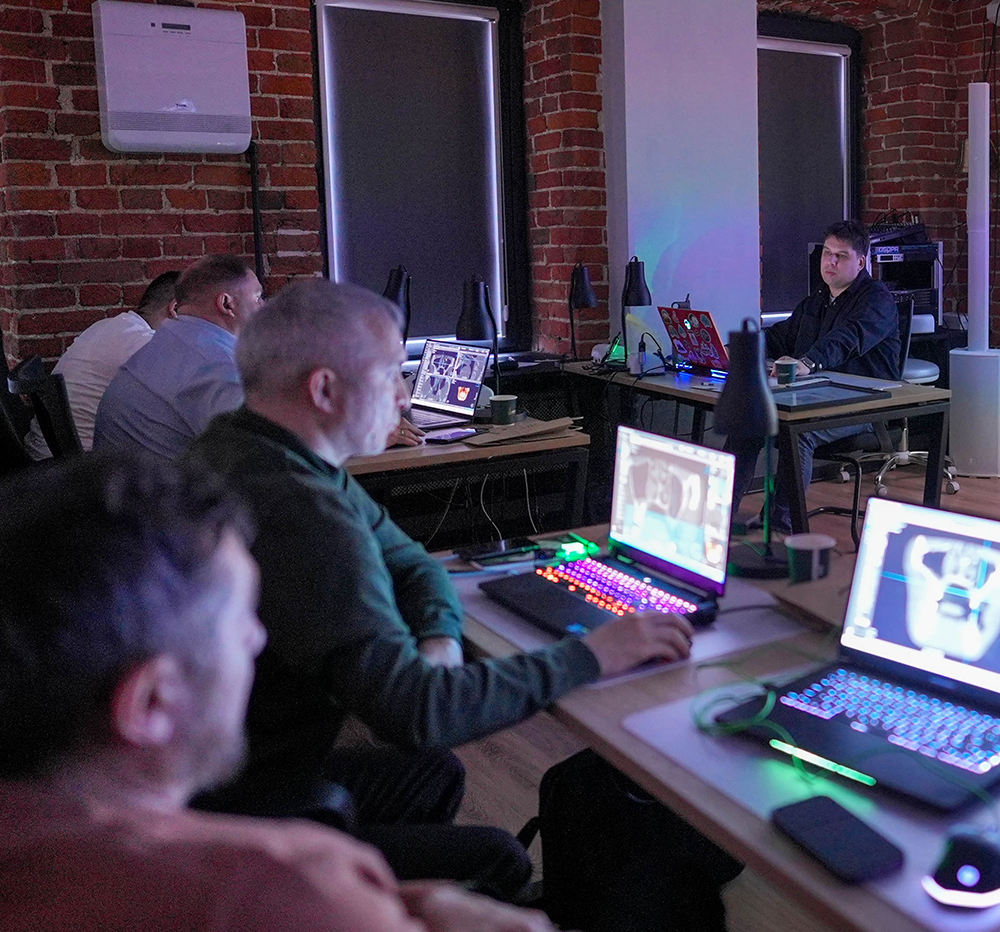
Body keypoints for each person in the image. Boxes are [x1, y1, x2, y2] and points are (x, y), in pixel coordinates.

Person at [185, 280, 734, 924]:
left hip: (235, 763)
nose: (404, 396)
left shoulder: (246, 445)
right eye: (391, 375)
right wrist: (593, 654)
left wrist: (441, 638)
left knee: (435, 773)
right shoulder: (304, 516)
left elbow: (415, 563)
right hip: (239, 806)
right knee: (500, 856)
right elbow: (419, 714)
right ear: (325, 390)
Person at [0, 450, 551, 932]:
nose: (257, 637)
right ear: (151, 703)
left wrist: (406, 904)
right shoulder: (277, 885)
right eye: (240, 621)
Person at [746, 219, 903, 531]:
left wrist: (809, 362)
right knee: (747, 424)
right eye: (827, 253)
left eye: (841, 256)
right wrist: (738, 349)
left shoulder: (877, 299)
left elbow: (847, 338)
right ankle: (721, 513)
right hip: (818, 395)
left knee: (799, 434)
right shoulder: (817, 299)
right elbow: (780, 336)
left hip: (866, 405)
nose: (831, 261)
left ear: (861, 262)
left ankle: (781, 523)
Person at [95, 255, 266, 460]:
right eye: (258, 297)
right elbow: (257, 456)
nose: (264, 306)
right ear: (226, 304)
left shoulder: (171, 341)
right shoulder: (215, 365)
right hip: (160, 480)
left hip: (126, 475)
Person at [26, 269, 179, 456]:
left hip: (50, 455)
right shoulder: (143, 342)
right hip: (79, 464)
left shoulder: (113, 326)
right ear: (175, 309)